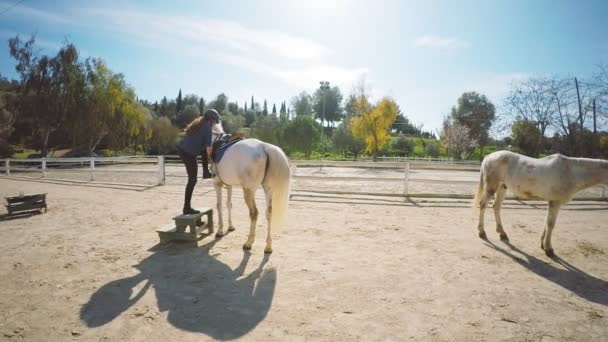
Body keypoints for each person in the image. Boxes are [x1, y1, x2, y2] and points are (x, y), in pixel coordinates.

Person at [176, 109, 221, 215]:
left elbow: (202, 142)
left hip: (183, 151)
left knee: (192, 179)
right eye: (214, 122)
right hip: (189, 154)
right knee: (192, 180)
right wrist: (212, 159)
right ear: (211, 120)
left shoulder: (198, 123)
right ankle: (186, 208)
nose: (214, 124)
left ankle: (205, 172)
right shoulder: (207, 128)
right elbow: (208, 150)